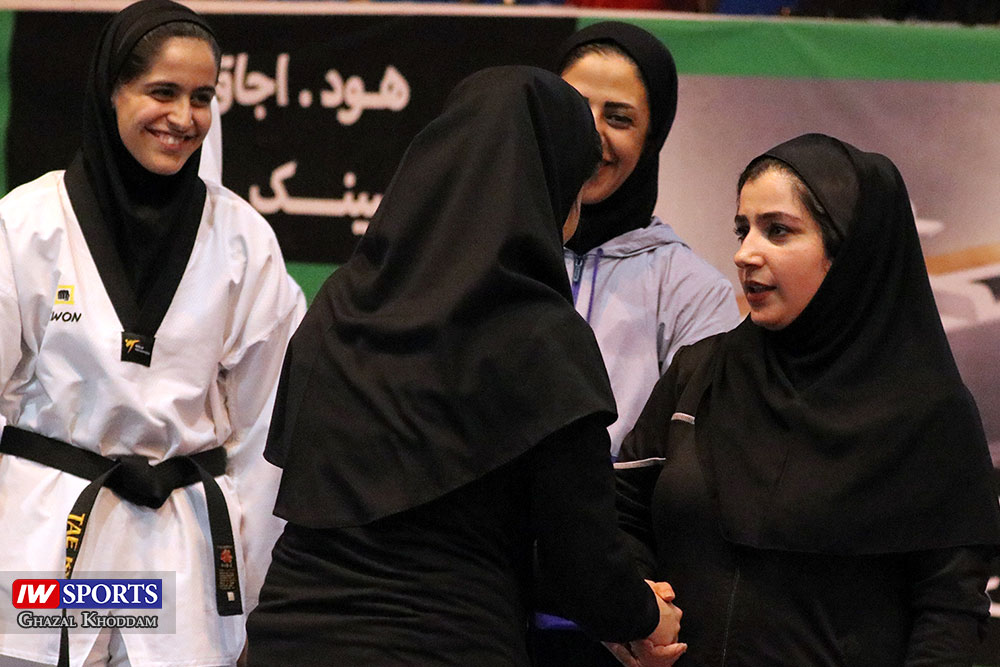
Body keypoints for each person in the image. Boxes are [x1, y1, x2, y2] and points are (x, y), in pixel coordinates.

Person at [246, 66, 685, 667]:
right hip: (443, 643)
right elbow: (578, 559)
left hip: (291, 637)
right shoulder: (544, 335)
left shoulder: (341, 303)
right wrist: (643, 615)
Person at [615, 133, 1000, 665]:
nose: (744, 253)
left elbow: (949, 610)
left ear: (848, 251)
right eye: (743, 229)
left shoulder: (930, 413)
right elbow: (621, 516)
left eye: (778, 230)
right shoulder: (698, 374)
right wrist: (635, 610)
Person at [0, 1, 305, 665]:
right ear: (113, 90)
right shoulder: (27, 225)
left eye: (202, 97)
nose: (184, 117)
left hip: (183, 549)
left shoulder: (243, 241)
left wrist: (253, 586)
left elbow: (267, 432)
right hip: (49, 540)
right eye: (162, 91)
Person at [556, 22, 739, 460]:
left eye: (618, 118)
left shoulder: (694, 292)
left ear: (652, 138)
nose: (591, 135)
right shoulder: (493, 253)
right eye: (573, 109)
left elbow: (699, 456)